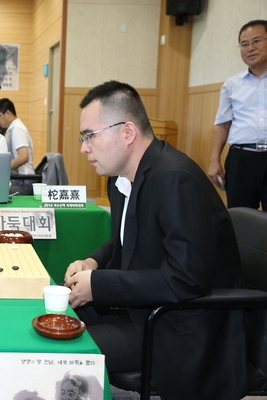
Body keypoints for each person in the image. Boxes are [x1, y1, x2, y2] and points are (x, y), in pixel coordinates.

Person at [64, 81, 246, 400]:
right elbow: (124, 239)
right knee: (56, 319)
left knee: (66, 350)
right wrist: (93, 262)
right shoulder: (123, 177)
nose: (84, 147)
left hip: (177, 323)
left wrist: (98, 285)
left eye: (89, 135)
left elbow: (187, 279)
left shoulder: (176, 179)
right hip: (142, 307)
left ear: (128, 132)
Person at [209, 19, 267, 209]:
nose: (250, 48)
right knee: (239, 217)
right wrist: (214, 161)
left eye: (257, 40)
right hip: (241, 159)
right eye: (244, 44)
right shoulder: (232, 85)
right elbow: (222, 125)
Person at [0, 98, 35, 194]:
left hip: (24, 181)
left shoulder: (17, 129)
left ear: (8, 113)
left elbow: (23, 157)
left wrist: (1, 169)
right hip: (19, 179)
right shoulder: (13, 128)